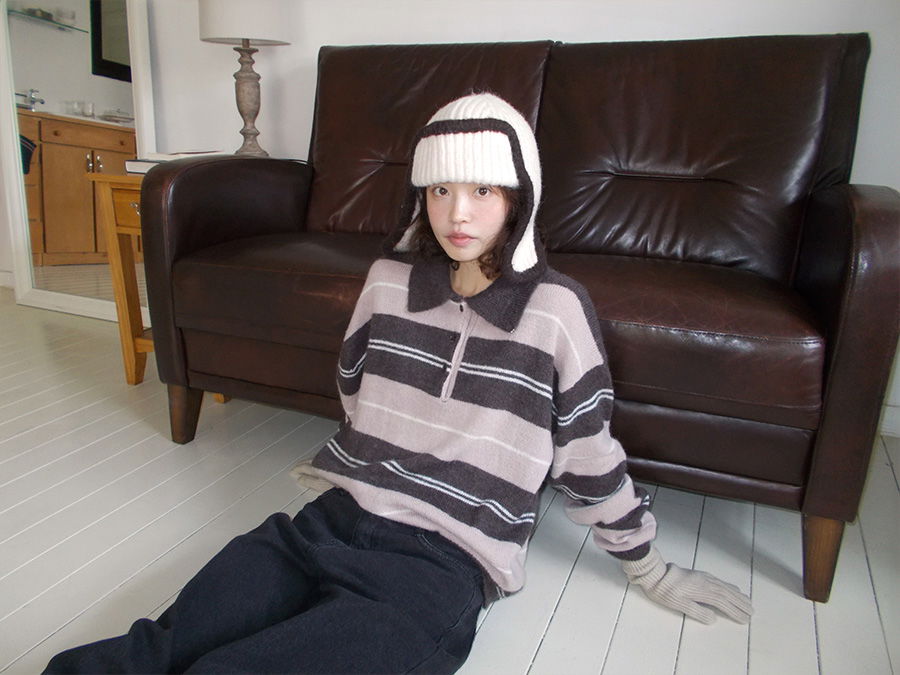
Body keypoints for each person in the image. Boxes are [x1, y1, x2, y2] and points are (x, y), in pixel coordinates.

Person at [45, 93, 751, 675]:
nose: (458, 213)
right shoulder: (386, 282)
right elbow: (354, 388)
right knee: (157, 649)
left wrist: (651, 570)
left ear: (521, 197)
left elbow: (588, 457)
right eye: (440, 189)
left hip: (441, 566)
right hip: (327, 521)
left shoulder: (556, 312)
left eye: (483, 189)